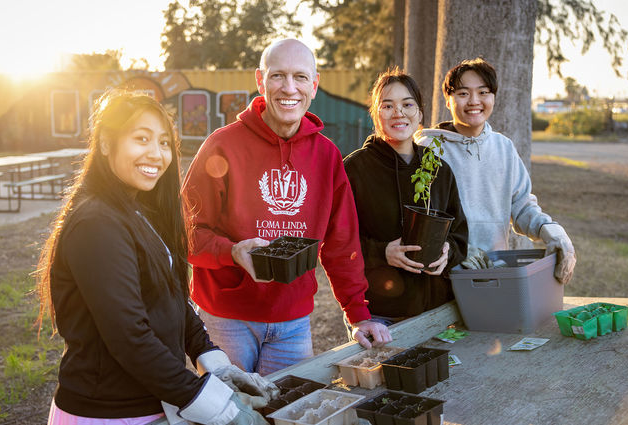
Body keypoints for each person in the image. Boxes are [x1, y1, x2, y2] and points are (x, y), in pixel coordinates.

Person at [35, 90, 275, 425]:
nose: (157, 154)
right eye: (141, 139)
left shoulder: (136, 210)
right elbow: (130, 337)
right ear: (106, 143)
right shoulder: (97, 224)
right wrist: (222, 410)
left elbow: (172, 300)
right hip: (107, 414)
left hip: (152, 404)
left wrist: (217, 365)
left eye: (164, 142)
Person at [181, 38, 392, 376]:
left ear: (315, 84)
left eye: (300, 77)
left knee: (288, 410)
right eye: (278, 76)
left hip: (293, 321)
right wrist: (233, 252)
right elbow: (185, 232)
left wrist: (358, 313)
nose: (289, 87)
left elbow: (342, 244)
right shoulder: (221, 146)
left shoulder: (326, 156)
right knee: (233, 413)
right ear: (259, 80)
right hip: (227, 317)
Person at [416, 57, 576, 284]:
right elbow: (421, 216)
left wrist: (550, 230)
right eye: (463, 93)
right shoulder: (429, 149)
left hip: (493, 271)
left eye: (483, 92)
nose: (474, 101)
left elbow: (521, 207)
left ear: (493, 97)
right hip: (443, 275)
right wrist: (458, 251)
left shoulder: (504, 148)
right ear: (448, 100)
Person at [343, 68, 468, 323]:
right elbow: (338, 242)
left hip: (438, 308)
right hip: (380, 312)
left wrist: (448, 251)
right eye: (387, 106)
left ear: (420, 113)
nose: (398, 112)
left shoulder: (437, 169)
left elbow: (460, 234)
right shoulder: (354, 170)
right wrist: (381, 253)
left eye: (407, 104)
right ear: (376, 115)